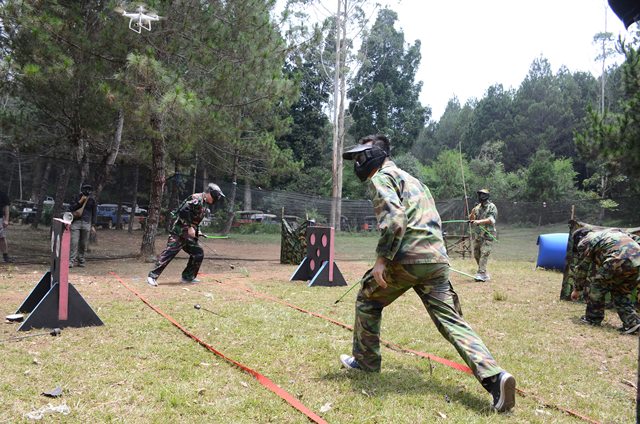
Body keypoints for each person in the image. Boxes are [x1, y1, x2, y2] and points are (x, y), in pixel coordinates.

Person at [339, 134, 516, 413]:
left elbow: (395, 220)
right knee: (451, 321)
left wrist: (382, 260)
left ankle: (365, 362)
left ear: (375, 155)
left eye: (361, 156)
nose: (358, 162)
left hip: (407, 258)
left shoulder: (382, 178)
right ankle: (495, 378)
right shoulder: (416, 181)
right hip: (437, 259)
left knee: (367, 298)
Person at [147, 183, 225, 287]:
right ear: (210, 194)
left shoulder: (204, 203)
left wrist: (197, 231)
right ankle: (151, 277)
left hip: (188, 236)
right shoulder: (196, 198)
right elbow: (183, 211)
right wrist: (189, 227)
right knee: (169, 253)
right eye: (216, 196)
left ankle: (188, 277)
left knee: (198, 253)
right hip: (179, 233)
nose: (217, 199)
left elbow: (195, 219)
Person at [570, 228, 640, 334]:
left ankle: (592, 319)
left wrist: (577, 289)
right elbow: (636, 239)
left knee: (595, 286)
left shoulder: (585, 240)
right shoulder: (611, 232)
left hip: (617, 259)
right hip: (637, 261)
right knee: (621, 292)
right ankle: (632, 323)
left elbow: (582, 268)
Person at [469, 189, 498, 282]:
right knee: (476, 254)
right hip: (478, 235)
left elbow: (491, 219)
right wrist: (472, 214)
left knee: (484, 253)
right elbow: (471, 219)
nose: (481, 196)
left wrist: (479, 221)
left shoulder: (491, 207)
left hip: (488, 234)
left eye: (482, 194)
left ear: (486, 196)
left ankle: (481, 273)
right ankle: (483, 273)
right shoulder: (477, 207)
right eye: (480, 194)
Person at [69, 184, 97, 268]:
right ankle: (71, 261)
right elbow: (71, 208)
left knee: (83, 243)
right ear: (82, 189)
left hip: (86, 223)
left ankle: (81, 260)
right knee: (74, 242)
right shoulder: (76, 197)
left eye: (89, 189)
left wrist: (93, 225)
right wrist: (80, 202)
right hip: (76, 222)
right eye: (86, 189)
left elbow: (94, 213)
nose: (87, 191)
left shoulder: (92, 200)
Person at [0, 189, 12, 263]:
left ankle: (5, 256)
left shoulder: (2, 195)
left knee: (1, 238)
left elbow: (7, 208)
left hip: (0, 219)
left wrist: (6, 220)